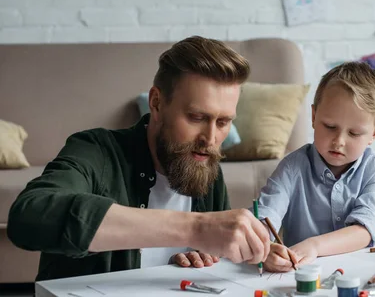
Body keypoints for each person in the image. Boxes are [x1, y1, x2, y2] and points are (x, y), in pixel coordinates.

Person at [7, 36, 271, 281]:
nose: (210, 138)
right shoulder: (97, 150)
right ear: (156, 103)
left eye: (223, 122)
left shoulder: (203, 163)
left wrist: (195, 260)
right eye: (197, 117)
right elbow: (30, 216)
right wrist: (197, 228)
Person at [255, 61, 375, 273]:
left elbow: (364, 231)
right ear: (314, 116)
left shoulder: (374, 170)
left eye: (354, 133)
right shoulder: (292, 167)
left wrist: (315, 246)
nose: (339, 141)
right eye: (329, 127)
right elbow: (264, 217)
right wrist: (264, 248)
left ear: (374, 134)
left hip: (355, 273)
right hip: (299, 273)